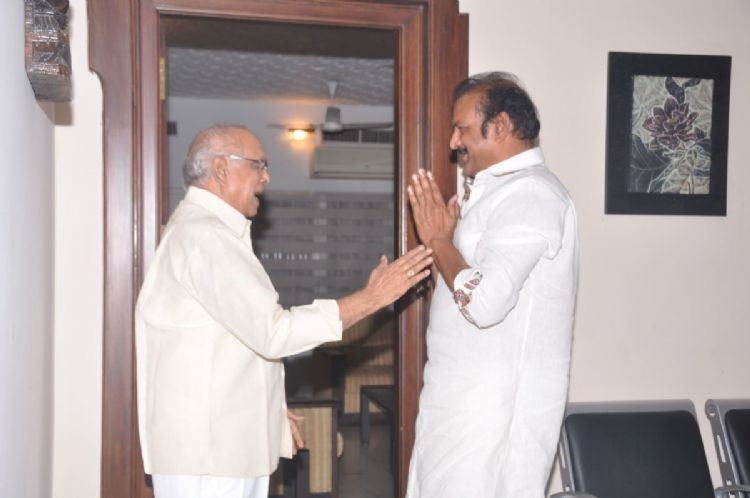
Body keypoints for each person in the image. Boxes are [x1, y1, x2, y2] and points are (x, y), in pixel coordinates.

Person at [135, 124, 432, 498]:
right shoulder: (206, 237)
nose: (267, 177)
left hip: (218, 445)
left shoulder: (203, 232)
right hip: (210, 454)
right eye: (258, 165)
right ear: (222, 168)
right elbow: (274, 333)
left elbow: (231, 342)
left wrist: (268, 409)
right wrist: (372, 298)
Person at [405, 72, 579, 497]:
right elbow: (460, 295)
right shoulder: (502, 192)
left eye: (461, 128)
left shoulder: (532, 194)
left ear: (500, 126)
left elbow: (484, 303)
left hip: (490, 419)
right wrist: (444, 247)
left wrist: (440, 241)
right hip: (459, 407)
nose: (453, 142)